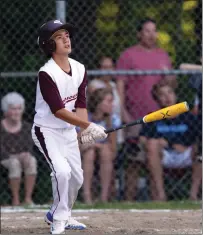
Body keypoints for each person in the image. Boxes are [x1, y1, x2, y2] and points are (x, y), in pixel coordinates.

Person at [31, 19, 107, 234]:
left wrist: (84, 132)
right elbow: (59, 111)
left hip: (67, 130)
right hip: (47, 130)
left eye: (66, 35)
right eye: (58, 37)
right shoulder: (47, 73)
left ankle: (58, 211)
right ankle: (58, 219)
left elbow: (80, 104)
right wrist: (88, 125)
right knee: (62, 172)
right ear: (48, 45)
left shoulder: (80, 68)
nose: (66, 39)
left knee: (77, 177)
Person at [140, 80, 202, 201]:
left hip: (187, 155)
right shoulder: (153, 117)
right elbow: (142, 139)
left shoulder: (188, 117)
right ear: (157, 99)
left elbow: (199, 137)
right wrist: (161, 143)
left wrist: (186, 146)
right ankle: (160, 195)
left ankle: (193, 196)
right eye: (162, 94)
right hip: (164, 156)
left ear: (175, 95)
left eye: (169, 92)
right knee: (152, 144)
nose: (167, 97)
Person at [116, 18, 176, 139]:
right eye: (147, 31)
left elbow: (173, 85)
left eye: (154, 31)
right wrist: (124, 115)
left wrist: (169, 75)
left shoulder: (163, 55)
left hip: (161, 118)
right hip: (137, 116)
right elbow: (119, 88)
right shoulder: (128, 55)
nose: (152, 35)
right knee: (139, 155)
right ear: (139, 34)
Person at [81, 88, 117, 204]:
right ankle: (87, 196)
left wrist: (99, 146)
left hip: (105, 154)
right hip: (84, 151)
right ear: (98, 103)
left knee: (106, 151)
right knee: (90, 153)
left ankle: (104, 197)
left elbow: (113, 148)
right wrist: (95, 145)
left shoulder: (112, 119)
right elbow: (79, 142)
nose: (112, 104)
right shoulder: (85, 118)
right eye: (109, 101)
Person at [1, 92, 37, 206]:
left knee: (31, 161)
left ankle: (28, 199)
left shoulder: (26, 126)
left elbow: (29, 146)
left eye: (19, 109)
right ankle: (15, 200)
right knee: (14, 163)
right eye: (13, 109)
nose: (16, 112)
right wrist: (12, 156)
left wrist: (26, 154)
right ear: (6, 111)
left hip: (22, 156)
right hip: (5, 158)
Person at [88, 56, 123, 144]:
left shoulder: (113, 85)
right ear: (99, 69)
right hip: (101, 128)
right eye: (105, 67)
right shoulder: (94, 85)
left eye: (110, 67)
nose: (108, 71)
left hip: (115, 125)